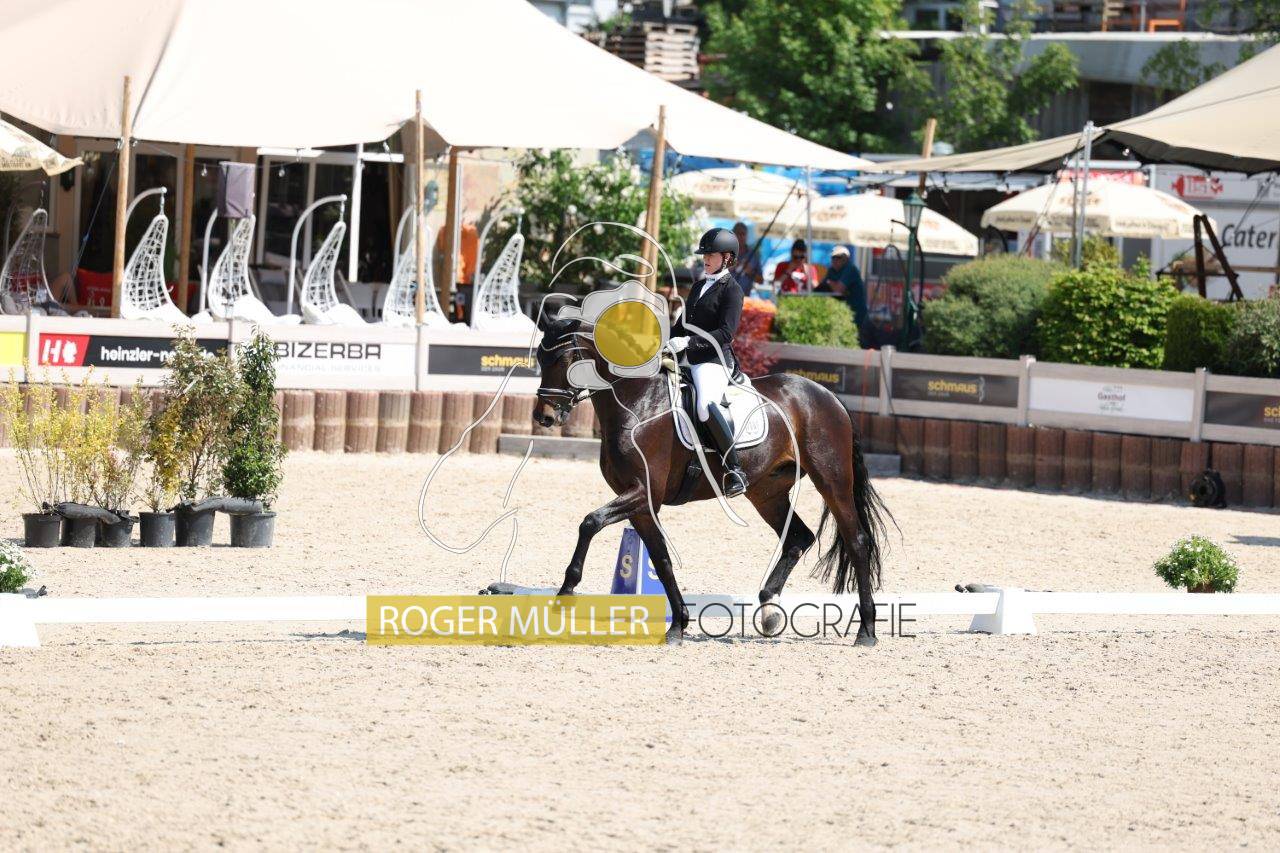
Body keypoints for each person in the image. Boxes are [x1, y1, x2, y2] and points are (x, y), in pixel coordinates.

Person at [669, 227, 748, 497]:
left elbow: (726, 333)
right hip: (687, 357)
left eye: (711, 255)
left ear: (727, 258)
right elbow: (682, 325)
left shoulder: (732, 290)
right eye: (704, 255)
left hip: (713, 360)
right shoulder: (698, 286)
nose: (705, 259)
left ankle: (735, 469)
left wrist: (689, 343)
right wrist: (665, 341)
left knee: (705, 406)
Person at [815, 245, 868, 327]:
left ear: (846, 259)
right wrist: (832, 284)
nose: (835, 260)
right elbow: (821, 287)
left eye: (839, 257)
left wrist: (830, 283)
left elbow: (838, 290)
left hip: (856, 315)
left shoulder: (850, 269)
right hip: (841, 314)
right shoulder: (831, 270)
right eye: (833, 257)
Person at [729, 221, 761, 296]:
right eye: (738, 234)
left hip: (745, 297)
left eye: (743, 234)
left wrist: (750, 272)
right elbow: (712, 275)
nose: (741, 237)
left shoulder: (753, 255)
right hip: (725, 296)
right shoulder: (724, 252)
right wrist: (729, 268)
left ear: (747, 236)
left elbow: (760, 280)